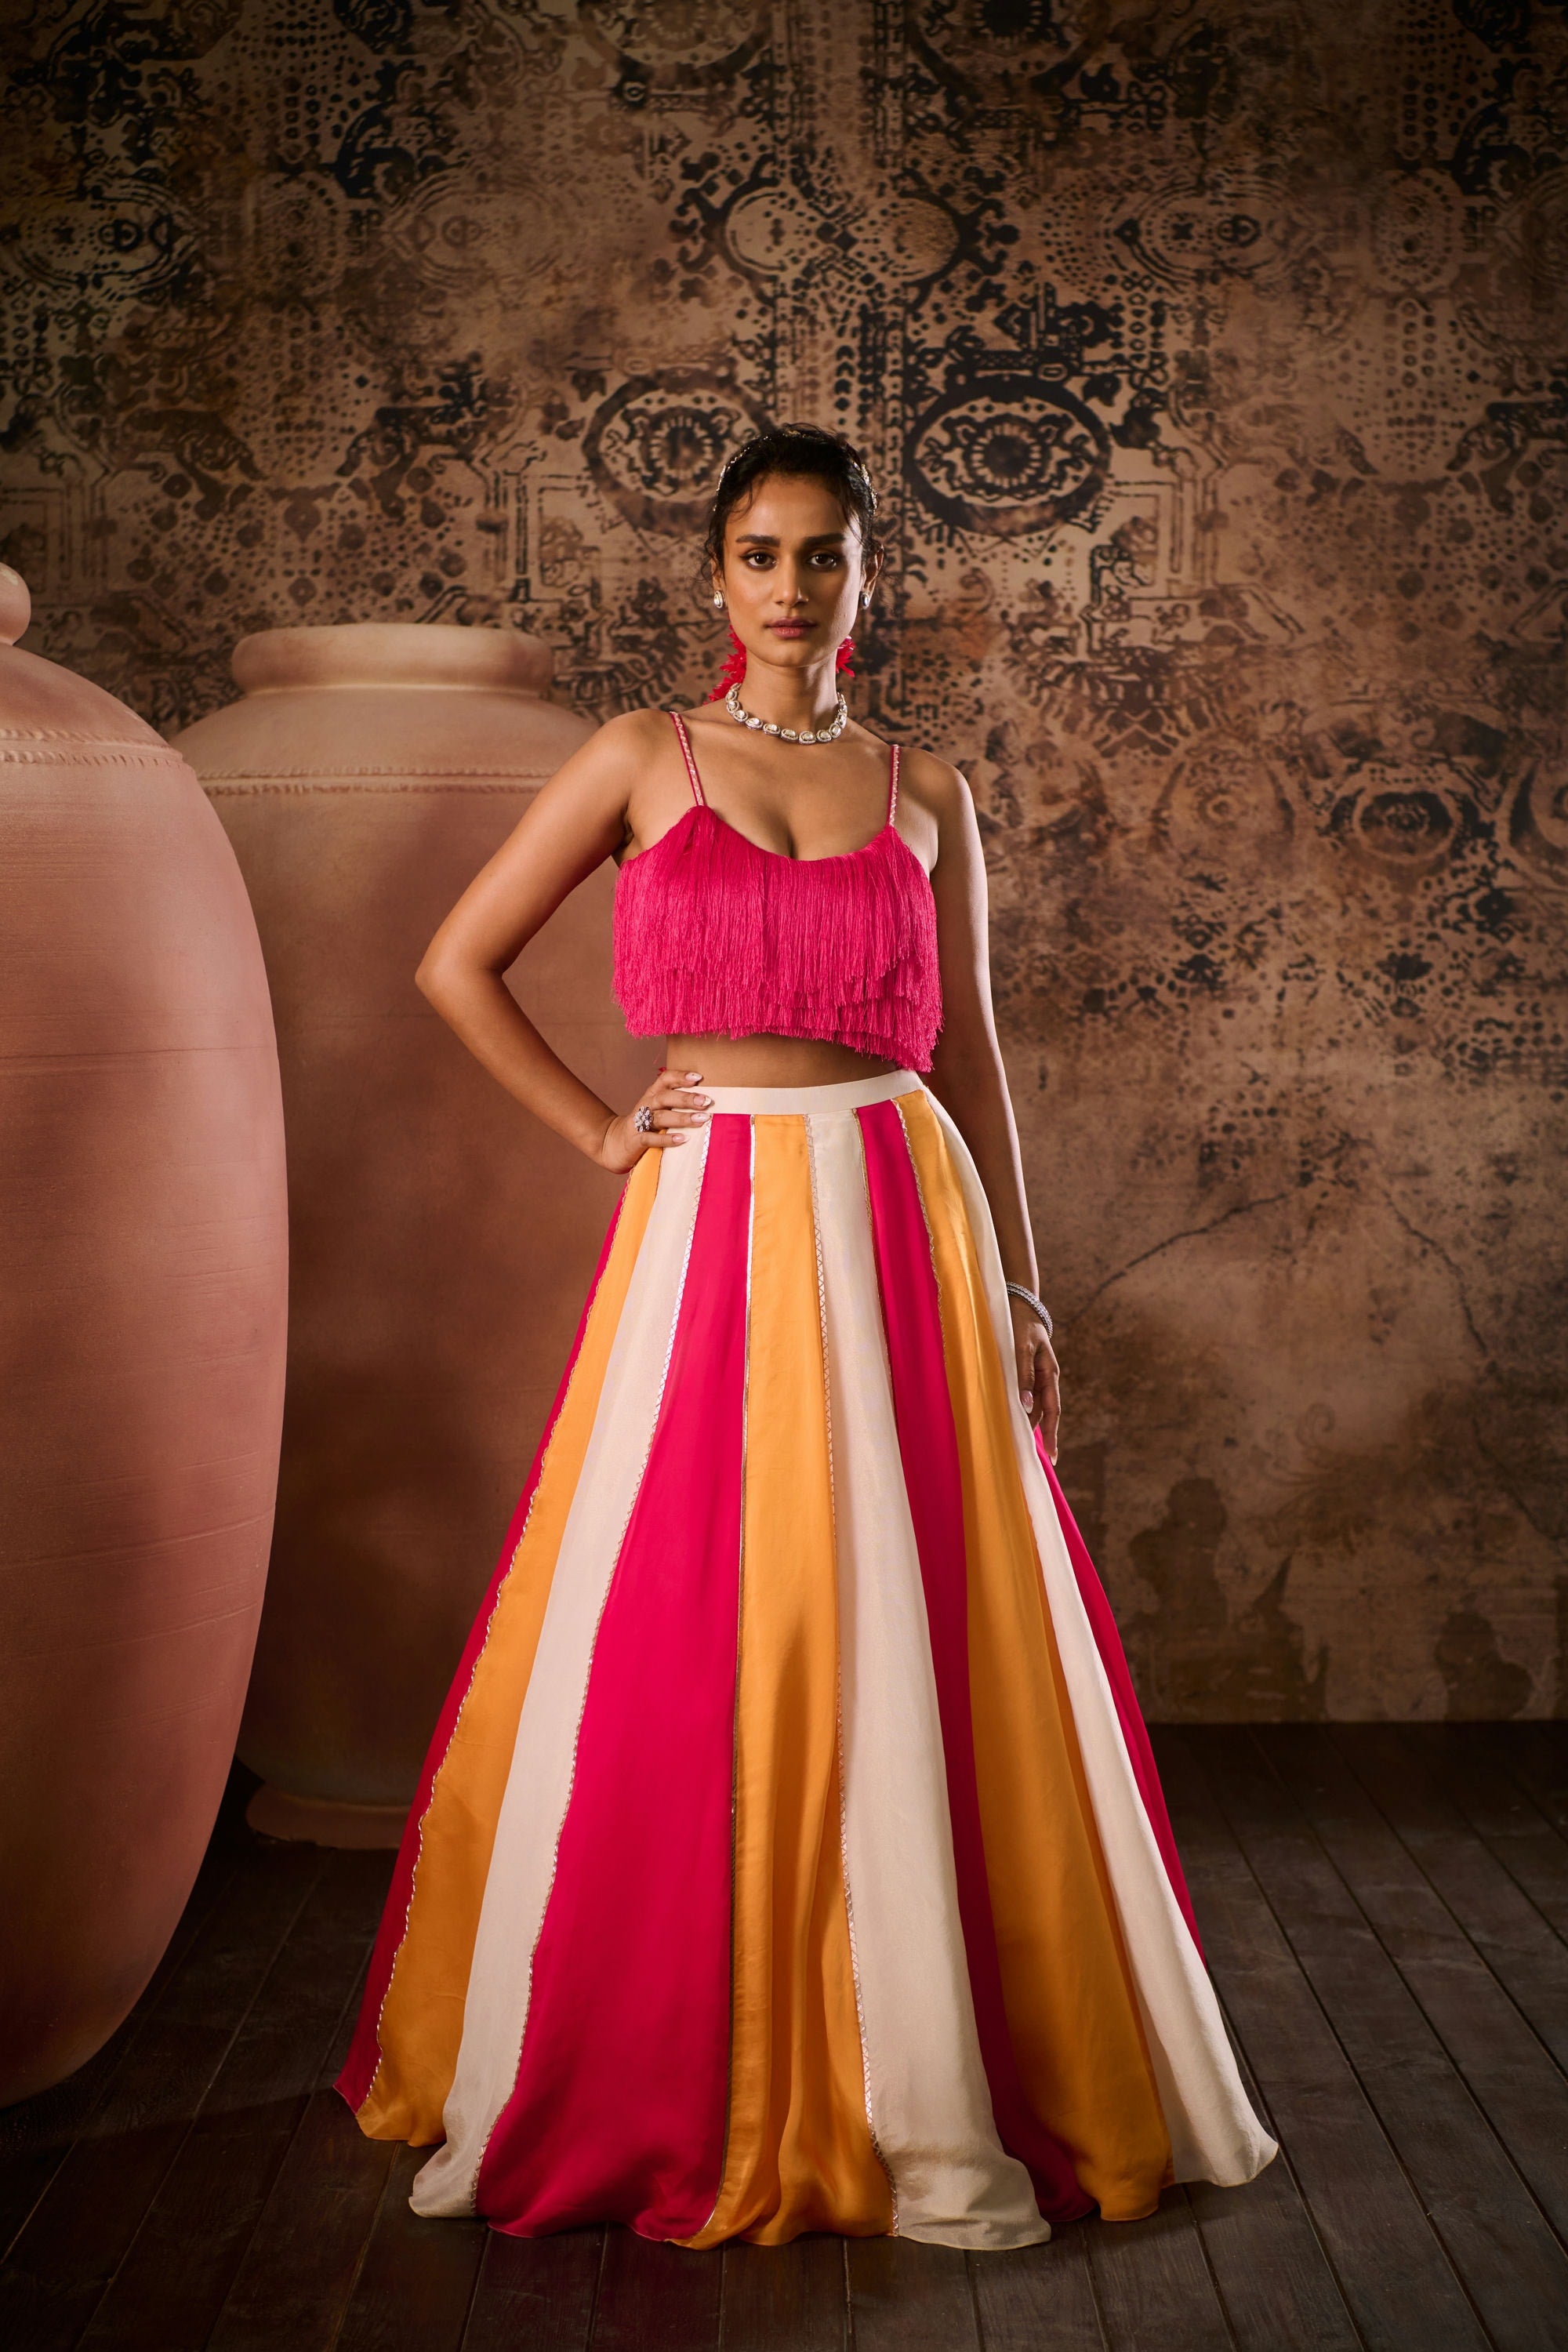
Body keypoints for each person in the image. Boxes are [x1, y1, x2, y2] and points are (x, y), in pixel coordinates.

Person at [335, 423, 1276, 2249]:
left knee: (919, 1615)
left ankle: (936, 2083)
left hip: (899, 1202)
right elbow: (457, 964)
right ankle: (684, 2042)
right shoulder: (634, 756)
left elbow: (975, 1054)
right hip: (711, 1220)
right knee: (702, 1612)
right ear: (715, 578)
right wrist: (606, 1133)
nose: (789, 588)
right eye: (759, 555)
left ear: (863, 577)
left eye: (822, 556)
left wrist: (1021, 1286)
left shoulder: (928, 788)